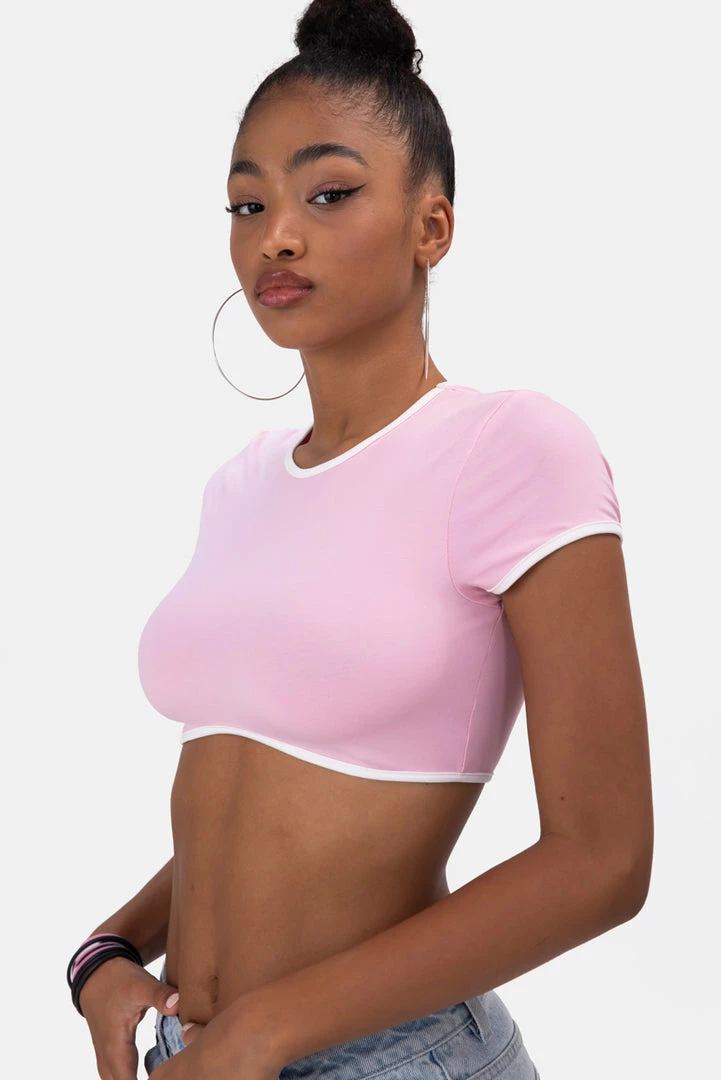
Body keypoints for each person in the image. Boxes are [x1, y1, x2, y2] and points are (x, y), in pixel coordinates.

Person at [67, 2, 654, 1078]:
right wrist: (107, 950)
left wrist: (270, 1028)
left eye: (328, 193)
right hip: (196, 1053)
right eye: (248, 203)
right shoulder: (240, 484)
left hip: (391, 1057)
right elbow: (255, 814)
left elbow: (603, 860)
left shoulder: (513, 448)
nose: (276, 235)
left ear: (432, 226)